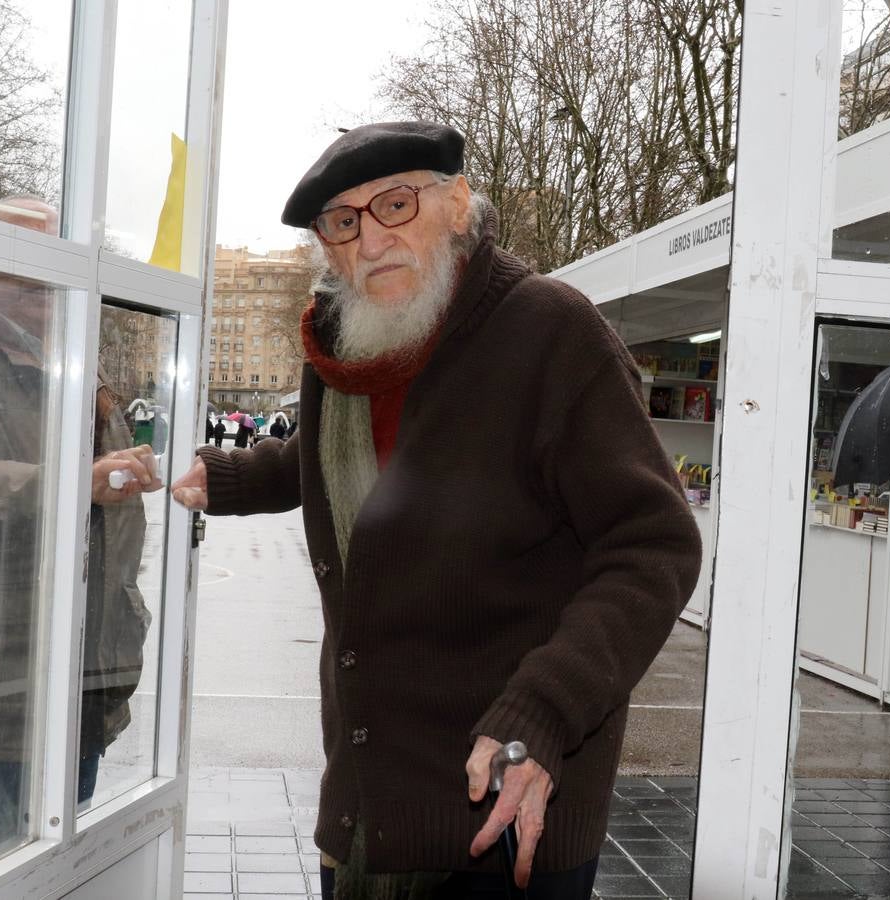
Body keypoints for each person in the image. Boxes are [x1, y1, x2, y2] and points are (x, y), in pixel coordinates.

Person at [172, 121, 700, 899]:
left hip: (505, 796)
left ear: (457, 205)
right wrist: (221, 477)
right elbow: (340, 462)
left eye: (395, 204)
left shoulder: (550, 330)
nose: (370, 240)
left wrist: (543, 711)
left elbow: (652, 546)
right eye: (343, 222)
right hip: (368, 795)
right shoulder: (346, 347)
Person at [0, 197, 158, 869]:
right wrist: (81, 479)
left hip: (83, 685)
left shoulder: (75, 364)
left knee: (64, 875)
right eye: (18, 262)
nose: (38, 281)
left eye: (50, 259)